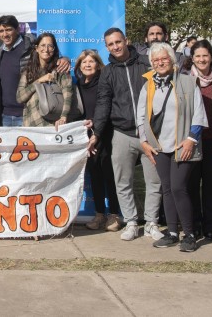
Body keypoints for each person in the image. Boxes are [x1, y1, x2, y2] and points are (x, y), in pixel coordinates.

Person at [91, 28, 163, 242]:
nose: (115, 46)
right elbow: (103, 103)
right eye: (110, 44)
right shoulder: (107, 72)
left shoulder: (145, 63)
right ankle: (131, 222)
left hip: (149, 132)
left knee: (154, 181)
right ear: (107, 47)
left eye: (118, 42)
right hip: (121, 133)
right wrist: (96, 132)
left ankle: (151, 222)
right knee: (123, 181)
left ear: (126, 41)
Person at [137, 43, 206, 253]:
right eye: (155, 60)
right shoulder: (148, 84)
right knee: (167, 189)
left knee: (178, 187)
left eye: (163, 59)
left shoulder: (187, 81)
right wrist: (144, 142)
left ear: (171, 59)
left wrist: (191, 139)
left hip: (182, 145)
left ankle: (190, 234)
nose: (159, 63)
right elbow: (140, 116)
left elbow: (198, 113)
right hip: (159, 146)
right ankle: (173, 233)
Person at [183, 39, 212, 243]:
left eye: (205, 55)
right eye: (198, 56)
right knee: (191, 185)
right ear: (192, 58)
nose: (202, 59)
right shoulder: (184, 78)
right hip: (192, 141)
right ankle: (194, 225)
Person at [75, 49, 122, 232]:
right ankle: (99, 215)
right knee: (94, 175)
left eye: (91, 61)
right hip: (86, 136)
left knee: (109, 176)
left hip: (105, 134)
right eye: (84, 62)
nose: (87, 65)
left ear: (98, 64)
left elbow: (107, 107)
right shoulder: (78, 84)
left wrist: (98, 127)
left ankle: (114, 215)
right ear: (79, 66)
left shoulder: (104, 83)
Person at [0, 15, 71, 127]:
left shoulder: (29, 47)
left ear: (17, 29)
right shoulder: (1, 51)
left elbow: (48, 55)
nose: (5, 34)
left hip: (28, 113)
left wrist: (65, 59)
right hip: (6, 113)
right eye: (1, 31)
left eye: (8, 30)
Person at [16, 33, 78, 128]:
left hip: (52, 126)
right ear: (36, 48)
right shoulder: (28, 72)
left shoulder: (60, 69)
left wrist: (63, 117)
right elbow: (20, 98)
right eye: (43, 45)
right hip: (31, 125)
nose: (46, 49)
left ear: (54, 49)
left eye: (50, 46)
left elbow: (68, 95)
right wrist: (39, 81)